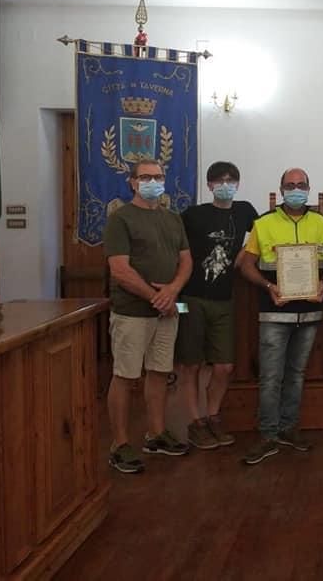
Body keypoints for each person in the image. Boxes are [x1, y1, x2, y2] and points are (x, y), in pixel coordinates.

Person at [238, 168, 323, 465]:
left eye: (301, 185)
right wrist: (268, 286)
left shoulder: (322, 224)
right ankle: (267, 435)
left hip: (309, 313)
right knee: (270, 377)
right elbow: (246, 266)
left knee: (296, 375)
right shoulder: (263, 223)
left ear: (308, 188)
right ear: (281, 190)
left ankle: (288, 429)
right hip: (274, 314)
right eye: (290, 185)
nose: (295, 189)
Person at [104, 158, 192, 473]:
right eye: (145, 177)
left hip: (168, 310)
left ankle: (156, 434)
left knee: (159, 372)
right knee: (125, 376)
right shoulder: (121, 219)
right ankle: (119, 444)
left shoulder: (173, 218)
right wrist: (156, 297)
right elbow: (119, 269)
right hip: (132, 311)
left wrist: (173, 291)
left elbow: (186, 261)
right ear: (132, 182)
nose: (152, 182)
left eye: (158, 176)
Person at [174, 161, 258, 450]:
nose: (225, 185)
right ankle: (195, 421)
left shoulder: (244, 210)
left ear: (238, 184)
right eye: (219, 181)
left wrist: (244, 255)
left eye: (231, 180)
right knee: (191, 364)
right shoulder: (193, 214)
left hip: (224, 300)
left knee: (224, 366)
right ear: (209, 185)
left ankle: (213, 415)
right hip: (189, 300)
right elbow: (177, 249)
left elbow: (264, 234)